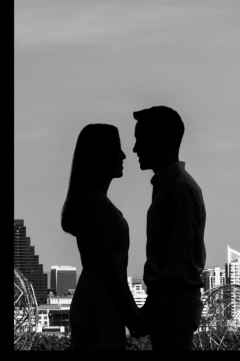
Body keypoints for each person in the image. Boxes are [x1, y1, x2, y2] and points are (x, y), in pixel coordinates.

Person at [61, 124, 142, 350]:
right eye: (117, 148)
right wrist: (133, 313)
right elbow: (111, 266)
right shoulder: (95, 202)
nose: (123, 155)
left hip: (101, 302)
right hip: (100, 304)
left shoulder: (94, 202)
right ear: (102, 154)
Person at [132, 106, 206, 350]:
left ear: (160, 140)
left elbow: (176, 263)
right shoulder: (170, 186)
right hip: (171, 302)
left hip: (173, 303)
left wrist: (152, 312)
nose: (135, 149)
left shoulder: (178, 188)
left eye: (140, 140)